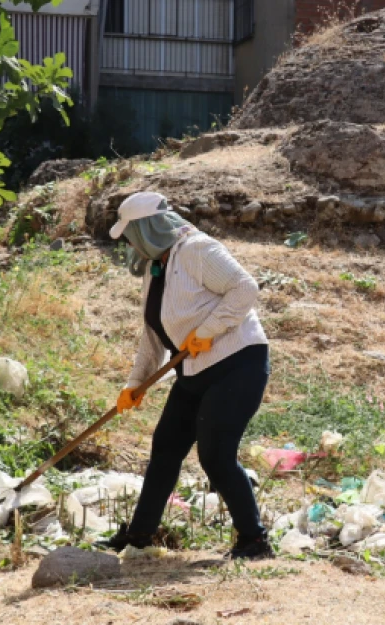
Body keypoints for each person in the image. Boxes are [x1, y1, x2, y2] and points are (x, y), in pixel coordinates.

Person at [99, 191, 273, 560]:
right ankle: (139, 537)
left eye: (130, 235)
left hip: (237, 363)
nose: (129, 243)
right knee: (165, 448)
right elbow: (152, 336)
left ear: (147, 230)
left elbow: (244, 288)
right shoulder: (155, 269)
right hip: (193, 370)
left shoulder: (197, 250)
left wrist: (210, 329)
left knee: (216, 454)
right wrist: (134, 385)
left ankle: (254, 540)